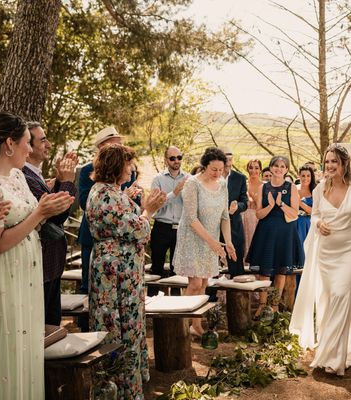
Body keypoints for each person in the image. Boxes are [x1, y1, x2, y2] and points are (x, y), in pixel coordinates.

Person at [0, 112, 73, 399]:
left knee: (26, 351)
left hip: (28, 278)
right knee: (4, 352)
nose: (30, 149)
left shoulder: (19, 176)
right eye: (26, 142)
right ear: (9, 144)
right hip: (2, 279)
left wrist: (50, 206)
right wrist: (39, 213)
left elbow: (36, 219)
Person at [86, 144, 165, 399]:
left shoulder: (110, 191)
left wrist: (133, 202)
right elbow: (139, 230)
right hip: (115, 272)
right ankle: (119, 389)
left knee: (125, 324)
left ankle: (125, 386)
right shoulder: (106, 194)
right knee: (118, 325)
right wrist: (149, 210)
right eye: (128, 164)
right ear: (117, 166)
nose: (131, 169)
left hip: (121, 269)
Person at [290, 145, 351, 376]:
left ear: (345, 164)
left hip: (349, 251)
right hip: (326, 253)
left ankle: (334, 358)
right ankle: (332, 348)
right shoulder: (319, 190)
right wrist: (317, 223)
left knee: (340, 295)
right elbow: (315, 213)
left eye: (335, 161)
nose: (330, 166)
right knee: (327, 300)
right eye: (327, 162)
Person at [173, 147, 236, 336]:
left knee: (204, 283)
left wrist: (228, 242)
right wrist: (213, 243)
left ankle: (195, 325)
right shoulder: (192, 183)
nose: (218, 173)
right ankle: (180, 326)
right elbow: (191, 218)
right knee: (194, 283)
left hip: (212, 238)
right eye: (214, 169)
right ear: (204, 166)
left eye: (221, 169)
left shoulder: (223, 183)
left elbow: (225, 216)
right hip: (193, 237)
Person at [77, 127, 139, 312]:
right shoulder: (88, 170)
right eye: (115, 143)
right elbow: (84, 201)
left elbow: (134, 203)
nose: (120, 146)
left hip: (125, 237)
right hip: (94, 235)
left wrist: (132, 197)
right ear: (102, 146)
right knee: (89, 286)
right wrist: (120, 196)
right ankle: (86, 329)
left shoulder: (129, 169)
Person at [22, 122, 78, 325]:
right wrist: (68, 181)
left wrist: (60, 181)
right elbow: (57, 216)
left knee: (53, 324)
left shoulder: (35, 175)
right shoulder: (24, 177)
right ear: (27, 146)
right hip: (41, 265)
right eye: (42, 139)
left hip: (51, 265)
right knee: (45, 327)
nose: (49, 144)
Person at [247, 155, 304, 317]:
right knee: (264, 272)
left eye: (282, 166)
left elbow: (294, 213)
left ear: (286, 170)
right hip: (266, 232)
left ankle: (274, 306)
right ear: (271, 168)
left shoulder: (291, 187)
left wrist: (280, 204)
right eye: (276, 166)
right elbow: (258, 214)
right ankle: (262, 306)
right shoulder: (263, 188)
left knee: (281, 270)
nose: (279, 169)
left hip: (285, 233)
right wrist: (271, 205)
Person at [147, 146, 187, 295]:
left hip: (181, 228)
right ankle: (151, 303)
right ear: (166, 160)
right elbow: (154, 205)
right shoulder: (157, 179)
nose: (176, 161)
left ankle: (176, 306)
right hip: (161, 228)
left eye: (179, 157)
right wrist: (174, 193)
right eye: (172, 158)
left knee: (177, 270)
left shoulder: (188, 178)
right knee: (156, 268)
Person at [220, 146, 248, 277]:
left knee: (236, 267)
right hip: (212, 226)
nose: (227, 162)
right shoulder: (211, 176)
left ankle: (236, 297)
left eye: (230, 159)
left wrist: (237, 207)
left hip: (234, 226)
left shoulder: (240, 178)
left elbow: (245, 201)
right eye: (225, 159)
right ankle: (210, 296)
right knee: (211, 268)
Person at [242, 159, 262, 257]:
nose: (253, 170)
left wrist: (253, 196)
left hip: (257, 218)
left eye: (256, 168)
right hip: (243, 218)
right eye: (251, 168)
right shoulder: (243, 184)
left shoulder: (264, 186)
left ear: (260, 170)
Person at [296, 165, 316, 245]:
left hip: (308, 224)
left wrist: (300, 203)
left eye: (308, 176)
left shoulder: (315, 190)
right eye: (303, 176)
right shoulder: (294, 188)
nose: (305, 178)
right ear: (299, 176)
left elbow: (314, 211)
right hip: (294, 223)